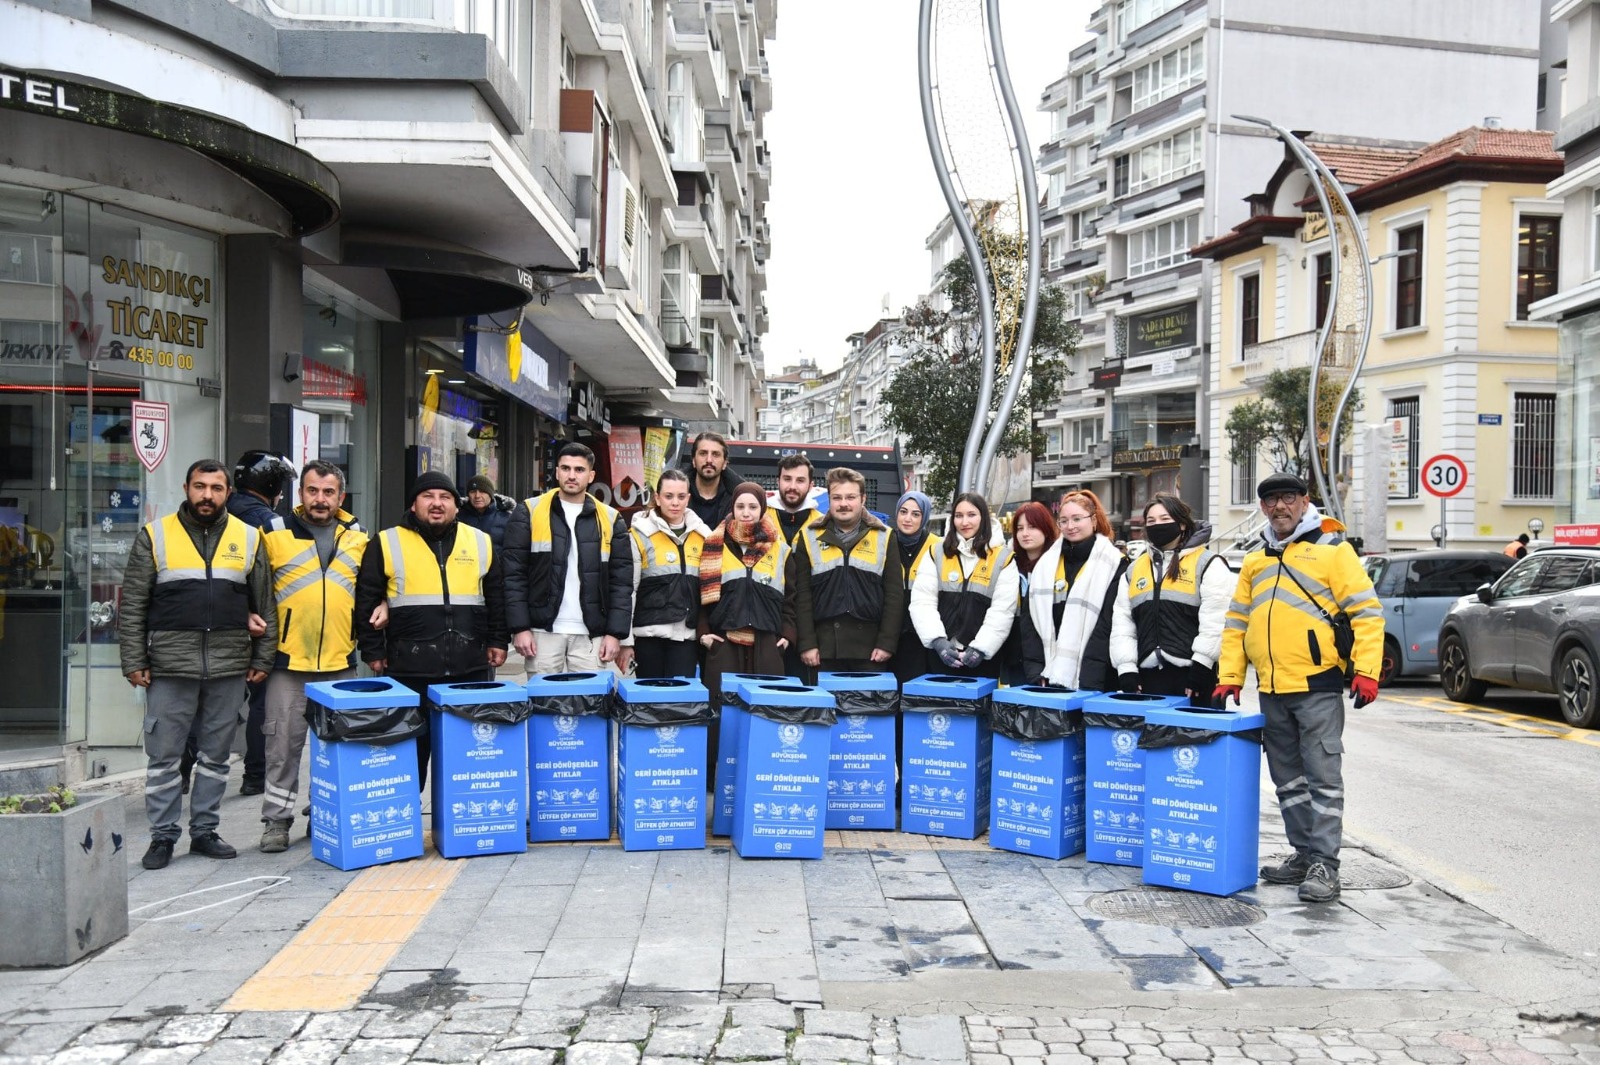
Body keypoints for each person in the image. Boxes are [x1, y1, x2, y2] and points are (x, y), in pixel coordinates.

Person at [1214, 472, 1385, 904]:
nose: (1279, 507)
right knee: (1287, 780)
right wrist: (1230, 675)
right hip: (1271, 687)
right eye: (1270, 501)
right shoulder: (1256, 559)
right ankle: (1303, 853)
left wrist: (1367, 670)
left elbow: (1366, 613)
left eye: (1287, 498)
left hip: (1317, 686)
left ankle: (1326, 865)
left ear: (1305, 501)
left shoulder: (1333, 551)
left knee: (1323, 778)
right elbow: (1236, 623)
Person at [119, 459, 276, 870]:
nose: (207, 495)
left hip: (227, 664)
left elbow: (265, 604)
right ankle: (163, 836)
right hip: (169, 665)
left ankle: (205, 830)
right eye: (200, 486)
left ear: (228, 493)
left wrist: (263, 656)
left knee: (216, 756)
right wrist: (133, 659)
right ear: (186, 488)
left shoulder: (248, 537)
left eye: (216, 488)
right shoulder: (156, 536)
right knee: (165, 758)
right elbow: (133, 603)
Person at [355, 471, 508, 787]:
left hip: (470, 667)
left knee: (467, 760)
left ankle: (459, 825)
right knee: (410, 757)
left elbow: (496, 597)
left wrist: (498, 640)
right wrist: (372, 651)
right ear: (414, 504)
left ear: (456, 505)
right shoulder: (386, 542)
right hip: (409, 670)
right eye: (428, 497)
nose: (437, 504)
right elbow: (367, 600)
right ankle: (408, 822)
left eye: (445, 497)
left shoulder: (480, 542)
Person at [257, 460, 370, 853]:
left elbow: (370, 592)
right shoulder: (273, 533)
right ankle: (276, 822)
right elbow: (254, 594)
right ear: (299, 493)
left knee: (336, 749)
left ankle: (323, 815)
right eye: (312, 491)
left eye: (328, 492)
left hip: (341, 662)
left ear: (341, 496)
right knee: (282, 748)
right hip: (289, 664)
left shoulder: (357, 537)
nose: (319, 499)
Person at [199, 450, 292, 798]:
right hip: (257, 623)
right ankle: (255, 774)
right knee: (261, 699)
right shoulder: (268, 524)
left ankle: (185, 762)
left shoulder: (216, 515)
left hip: (212, 622)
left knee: (206, 697)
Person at [503, 443, 633, 675]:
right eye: (565, 468)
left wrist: (615, 634)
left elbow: (621, 583)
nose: (571, 475)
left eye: (579, 470)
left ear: (591, 475)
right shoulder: (529, 511)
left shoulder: (611, 518)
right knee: (543, 704)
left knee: (589, 704)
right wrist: (520, 627)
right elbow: (513, 575)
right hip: (542, 631)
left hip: (591, 632)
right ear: (557, 472)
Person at [1109, 494, 1232, 698]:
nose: (1158, 525)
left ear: (1182, 524)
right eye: (1151, 521)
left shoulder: (1207, 563)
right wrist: (1126, 668)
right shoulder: (1134, 570)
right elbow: (1122, 624)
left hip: (1194, 678)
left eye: (1165, 519)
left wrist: (1202, 666)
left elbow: (1217, 619)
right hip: (1147, 679)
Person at [795, 466, 904, 674]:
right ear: (829, 499)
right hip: (823, 650)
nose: (843, 504)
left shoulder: (885, 536)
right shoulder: (808, 537)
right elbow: (802, 597)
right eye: (837, 498)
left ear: (863, 499)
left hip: (871, 651)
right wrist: (807, 643)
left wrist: (887, 643)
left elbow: (894, 595)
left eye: (850, 497)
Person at [699, 481, 796, 703]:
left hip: (766, 645)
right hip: (724, 644)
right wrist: (704, 634)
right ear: (732, 508)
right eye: (740, 506)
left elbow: (791, 599)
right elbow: (701, 594)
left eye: (752, 507)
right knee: (722, 715)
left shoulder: (781, 549)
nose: (746, 513)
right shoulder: (715, 543)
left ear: (762, 509)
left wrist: (787, 636)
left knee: (765, 715)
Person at [909, 492, 1017, 678]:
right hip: (941, 655)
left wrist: (981, 648)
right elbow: (922, 601)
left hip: (982, 660)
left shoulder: (1003, 558)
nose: (964, 522)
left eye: (971, 515)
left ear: (983, 517)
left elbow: (1002, 611)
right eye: (959, 516)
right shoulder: (937, 553)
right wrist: (938, 641)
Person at [1031, 489, 1127, 692]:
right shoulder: (1046, 563)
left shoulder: (1114, 563)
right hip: (1048, 673)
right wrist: (1035, 669)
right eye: (1064, 521)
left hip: (1095, 675)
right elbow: (1029, 619)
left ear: (1093, 520)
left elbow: (1107, 624)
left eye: (1077, 519)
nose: (1070, 526)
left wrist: (1090, 677)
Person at [618, 469, 710, 679]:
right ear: (657, 498)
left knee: (679, 704)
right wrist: (626, 641)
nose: (675, 502)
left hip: (686, 637)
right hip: (649, 636)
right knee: (650, 702)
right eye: (668, 496)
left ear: (688, 498)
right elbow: (627, 590)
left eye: (680, 496)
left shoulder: (703, 536)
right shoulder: (639, 535)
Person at [1002, 501, 1058, 686]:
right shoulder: (1009, 566)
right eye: (1020, 528)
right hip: (1014, 658)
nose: (1025, 533)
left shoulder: (1058, 566)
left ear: (1046, 528)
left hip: (1050, 659)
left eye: (1032, 527)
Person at [888, 490, 941, 683]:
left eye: (916, 514)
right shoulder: (885, 542)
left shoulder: (938, 547)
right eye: (903, 512)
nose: (907, 518)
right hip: (891, 634)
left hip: (923, 638)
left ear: (925, 516)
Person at [686, 431, 742, 528]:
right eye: (703, 453)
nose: (709, 460)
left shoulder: (738, 499)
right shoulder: (677, 495)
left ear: (725, 463)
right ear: (693, 461)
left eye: (715, 454)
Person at [460, 474, 514, 554]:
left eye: (482, 492)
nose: (477, 496)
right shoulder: (458, 517)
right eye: (473, 492)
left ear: (491, 495)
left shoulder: (506, 517)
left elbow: (513, 550)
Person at [773, 453, 818, 545]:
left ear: (810, 486)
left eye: (800, 480)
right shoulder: (761, 517)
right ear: (778, 482)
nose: (792, 486)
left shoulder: (822, 523)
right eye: (787, 479)